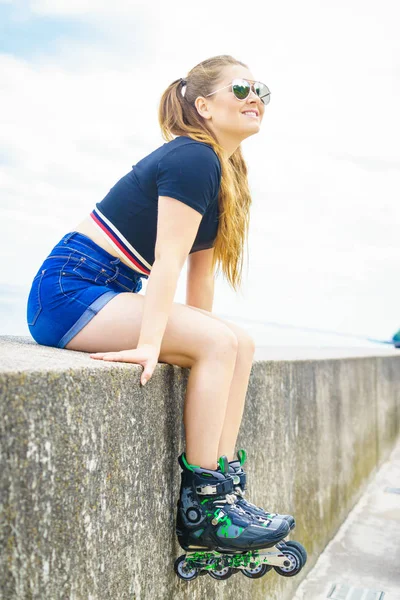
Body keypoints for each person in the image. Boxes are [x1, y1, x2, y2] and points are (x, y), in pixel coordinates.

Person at [26, 55, 297, 563]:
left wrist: (201, 338)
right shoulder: (192, 158)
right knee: (218, 341)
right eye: (241, 89)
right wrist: (151, 343)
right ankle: (204, 508)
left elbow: (200, 274)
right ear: (203, 105)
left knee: (238, 341)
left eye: (261, 88)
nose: (255, 97)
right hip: (70, 291)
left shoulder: (226, 170)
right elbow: (168, 261)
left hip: (111, 291)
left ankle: (228, 493)